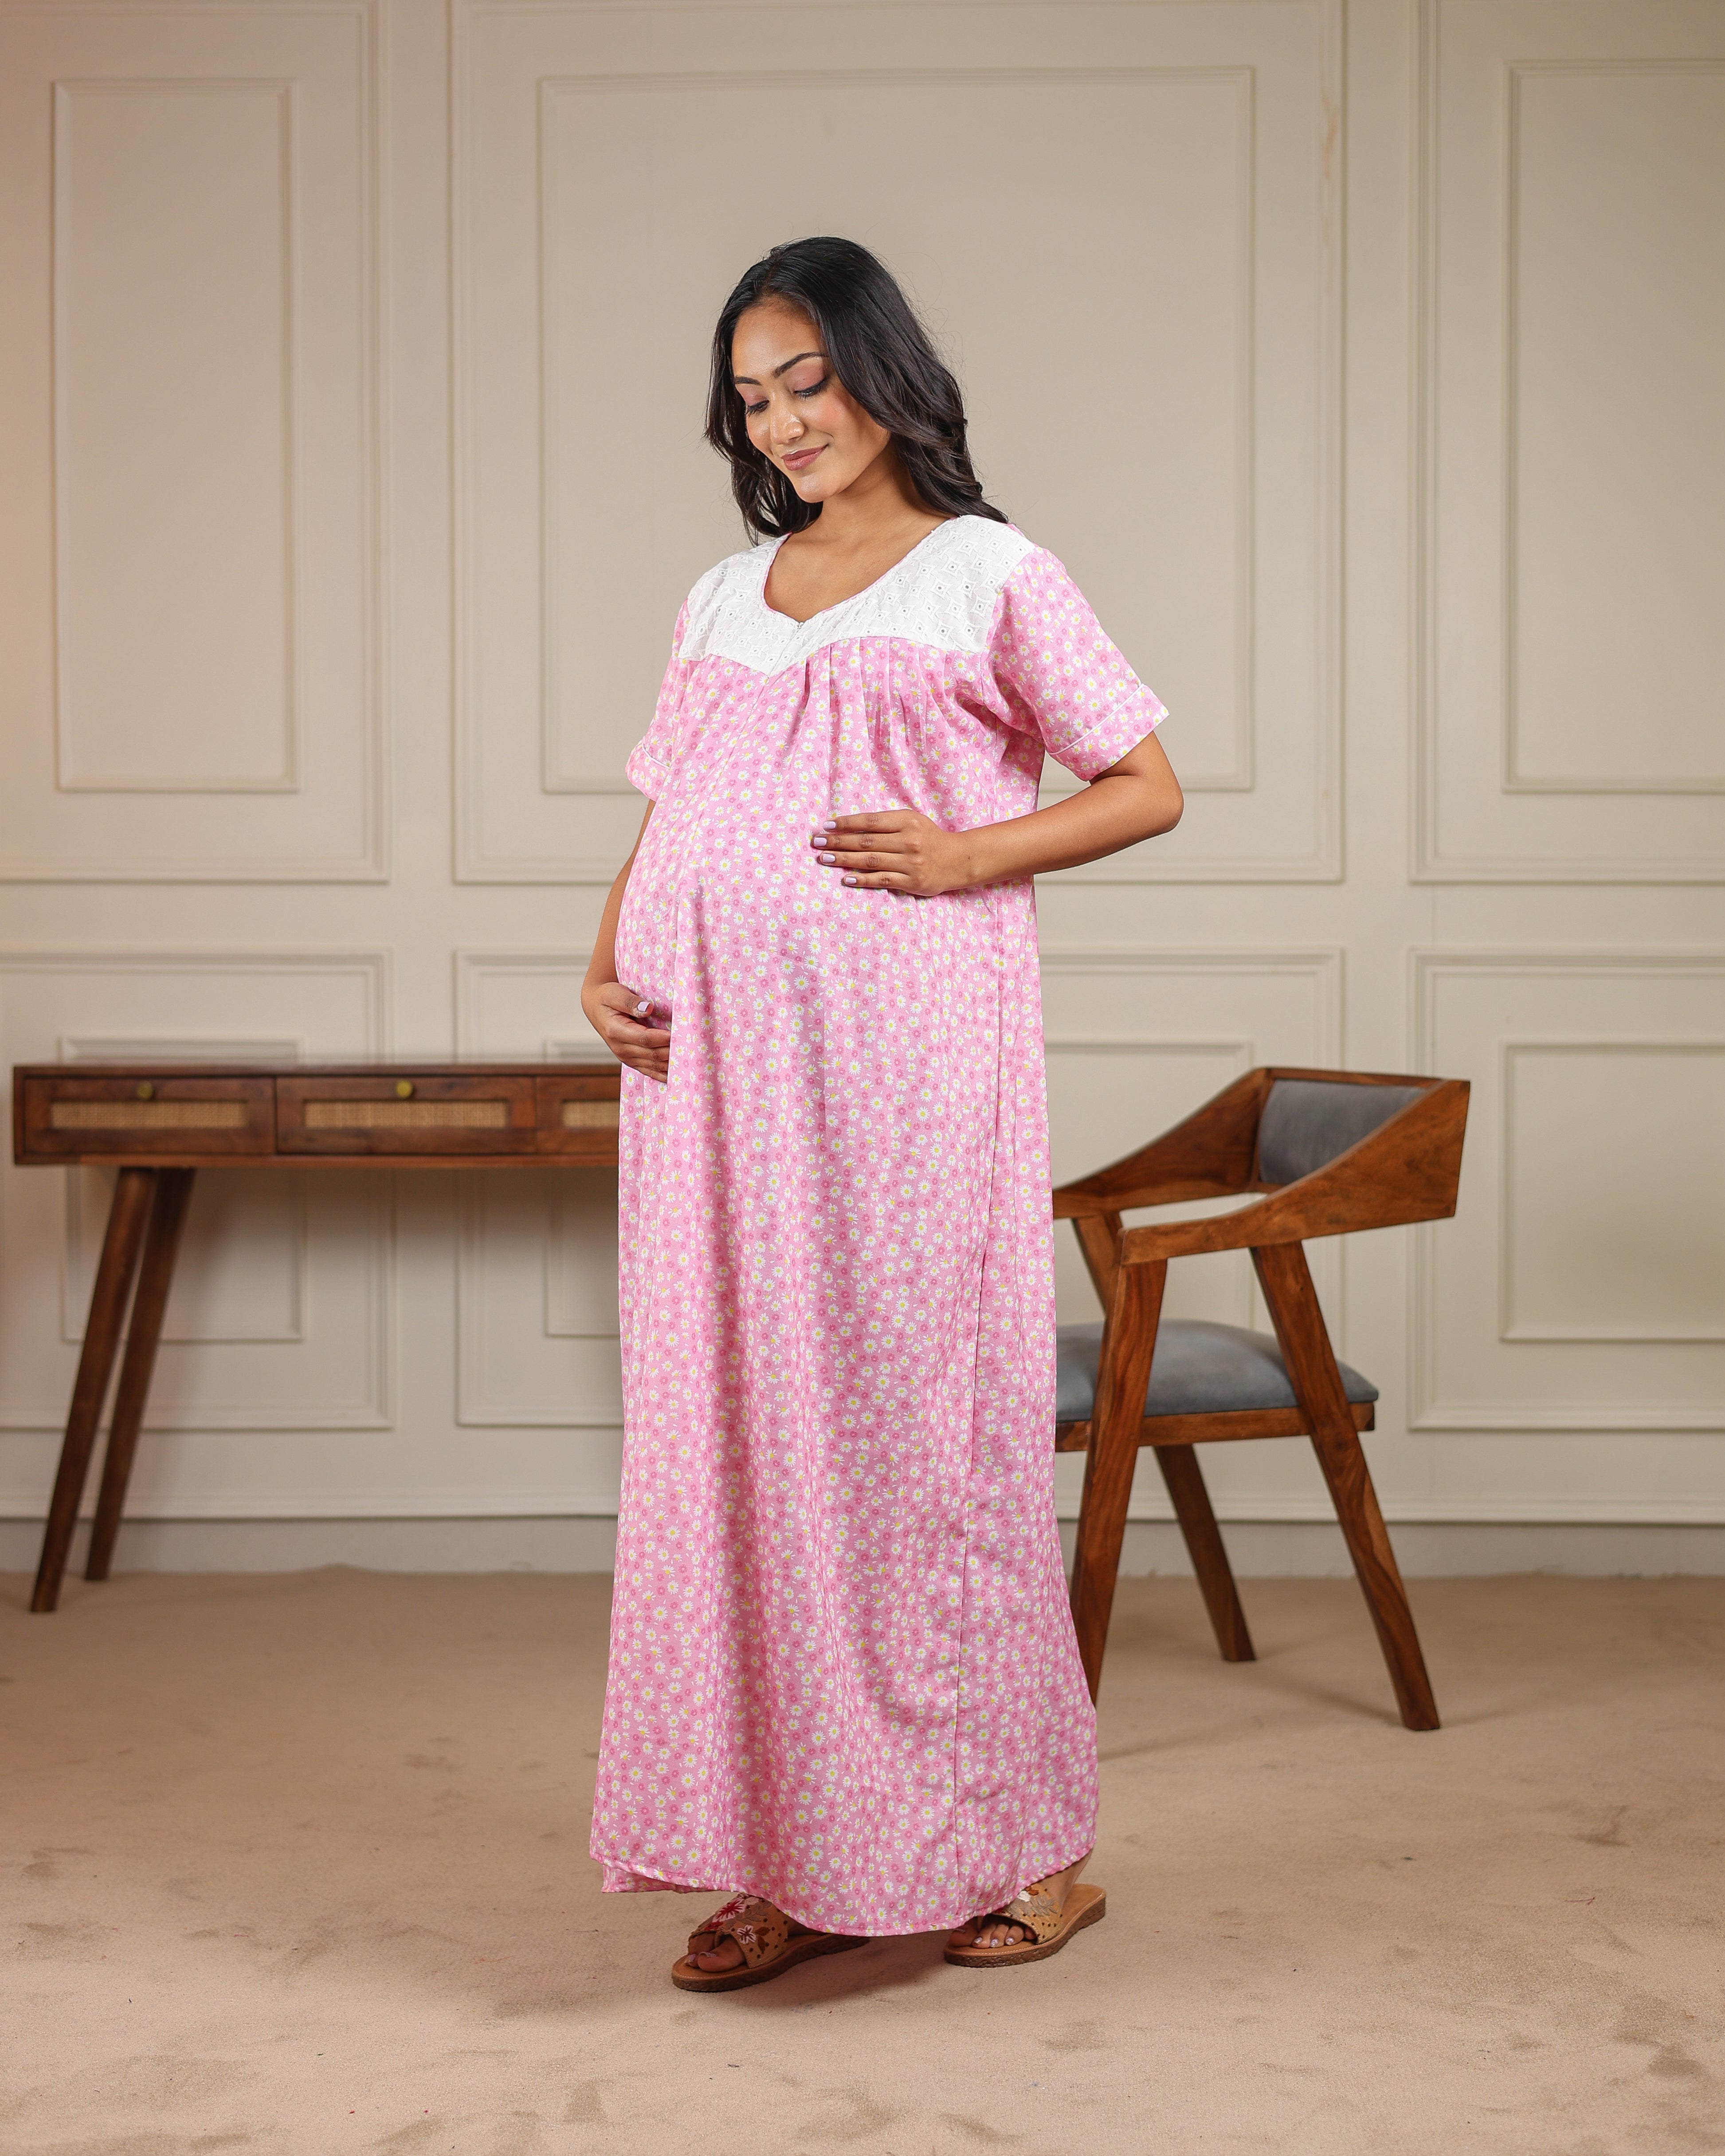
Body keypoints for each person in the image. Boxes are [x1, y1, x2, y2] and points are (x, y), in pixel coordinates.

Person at [581, 237, 1184, 1992]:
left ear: (879, 373)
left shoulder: (988, 572)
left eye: (806, 381)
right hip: (710, 1092)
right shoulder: (721, 593)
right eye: (751, 398)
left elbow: (1144, 784)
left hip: (902, 1083)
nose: (783, 422)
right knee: (735, 1451)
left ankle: (1028, 1849)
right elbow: (672, 806)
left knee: (922, 1449)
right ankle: (791, 1856)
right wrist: (606, 957)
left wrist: (964, 853)